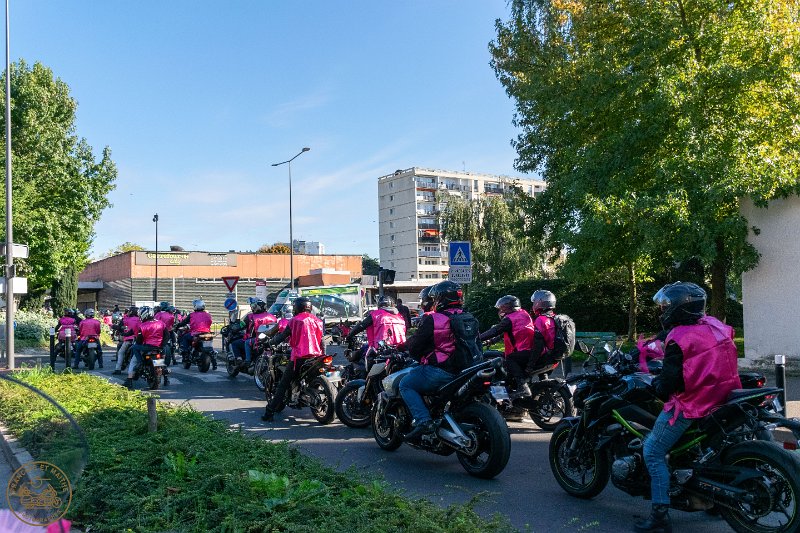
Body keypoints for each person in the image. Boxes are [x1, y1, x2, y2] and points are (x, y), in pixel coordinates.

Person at [634, 282, 741, 533]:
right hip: (723, 396)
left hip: (694, 404)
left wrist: (655, 384)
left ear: (679, 308)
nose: (663, 311)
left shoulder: (679, 339)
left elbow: (668, 384)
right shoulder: (715, 325)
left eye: (666, 306)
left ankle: (659, 515)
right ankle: (714, 500)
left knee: (652, 451)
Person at [399, 280, 480, 439]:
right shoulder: (469, 317)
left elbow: (416, 345)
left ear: (440, 299)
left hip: (442, 371)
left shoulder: (434, 319)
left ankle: (424, 421)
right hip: (468, 369)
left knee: (405, 384)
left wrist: (418, 357)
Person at [261, 297, 325, 422]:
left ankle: (269, 412)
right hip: (316, 357)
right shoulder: (318, 321)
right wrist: (322, 354)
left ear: (298, 307)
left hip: (299, 357)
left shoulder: (295, 321)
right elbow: (322, 341)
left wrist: (270, 342)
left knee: (283, 384)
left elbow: (282, 336)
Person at [479, 295, 535, 397]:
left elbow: (495, 330)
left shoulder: (509, 319)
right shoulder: (523, 314)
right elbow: (506, 332)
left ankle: (522, 387)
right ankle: (508, 392)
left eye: (501, 308)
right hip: (529, 350)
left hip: (521, 351)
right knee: (500, 357)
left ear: (506, 308)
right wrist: (491, 341)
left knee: (507, 359)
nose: (499, 311)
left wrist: (477, 338)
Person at [124, 306, 169, 389]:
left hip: (148, 347)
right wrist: (162, 345)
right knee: (161, 361)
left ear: (143, 314)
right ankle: (166, 377)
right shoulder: (161, 323)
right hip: (159, 347)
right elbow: (167, 335)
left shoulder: (143, 326)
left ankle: (139, 364)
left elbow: (139, 341)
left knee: (134, 347)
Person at [175, 299, 215, 369]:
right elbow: (210, 322)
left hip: (195, 333)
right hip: (207, 333)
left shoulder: (192, 315)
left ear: (196, 306)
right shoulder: (208, 315)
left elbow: (184, 322)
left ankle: (185, 353)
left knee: (185, 337)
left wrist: (178, 325)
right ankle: (213, 361)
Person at [525, 289, 558, 375]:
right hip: (554, 357)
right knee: (543, 376)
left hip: (545, 357)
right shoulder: (554, 317)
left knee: (512, 359)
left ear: (538, 303)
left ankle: (521, 384)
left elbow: (538, 346)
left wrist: (530, 365)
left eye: (534, 303)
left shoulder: (541, 320)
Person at [242, 298, 277, 366]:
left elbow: (242, 325)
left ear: (258, 307)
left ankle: (248, 360)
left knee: (247, 342)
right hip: (270, 338)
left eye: (253, 306)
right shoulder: (271, 316)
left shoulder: (251, 316)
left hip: (257, 338)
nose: (252, 308)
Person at [113, 306, 141, 375]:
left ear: (131, 312)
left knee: (121, 352)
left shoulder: (126, 319)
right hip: (138, 339)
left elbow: (119, 327)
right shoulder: (140, 319)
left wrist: (113, 326)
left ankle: (118, 369)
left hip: (128, 339)